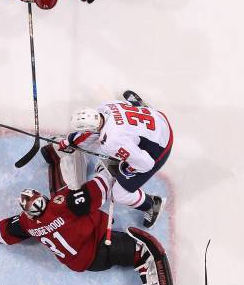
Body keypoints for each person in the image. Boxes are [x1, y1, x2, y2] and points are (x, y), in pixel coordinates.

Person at [0, 148, 187, 285]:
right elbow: (102, 186)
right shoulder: (63, 206)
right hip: (99, 247)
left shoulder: (27, 223)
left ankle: (56, 159)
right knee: (147, 247)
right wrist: (108, 168)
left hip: (80, 260)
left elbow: (2, 230)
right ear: (44, 203)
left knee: (70, 199)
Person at [58, 90, 173, 228]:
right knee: (129, 111)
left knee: (120, 193)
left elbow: (146, 164)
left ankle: (152, 204)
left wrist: (125, 169)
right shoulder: (106, 106)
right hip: (158, 118)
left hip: (161, 146)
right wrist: (70, 142)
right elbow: (91, 132)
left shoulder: (112, 142)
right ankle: (142, 107)